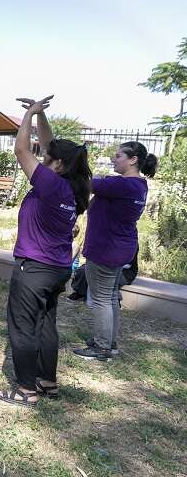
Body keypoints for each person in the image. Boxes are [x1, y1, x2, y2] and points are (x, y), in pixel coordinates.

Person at [0, 95, 91, 408]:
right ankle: (47, 381)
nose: (43, 155)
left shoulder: (50, 184)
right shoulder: (75, 185)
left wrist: (29, 117)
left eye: (49, 156)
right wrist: (39, 117)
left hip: (34, 268)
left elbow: (22, 150)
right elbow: (52, 146)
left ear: (58, 164)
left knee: (23, 327)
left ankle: (26, 390)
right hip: (57, 268)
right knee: (46, 324)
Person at [73, 142, 156, 361]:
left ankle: (102, 348)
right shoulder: (138, 185)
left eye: (118, 155)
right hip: (119, 249)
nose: (113, 158)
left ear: (133, 160)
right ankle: (109, 342)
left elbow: (87, 182)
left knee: (101, 298)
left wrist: (77, 161)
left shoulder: (122, 185)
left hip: (106, 250)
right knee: (109, 297)